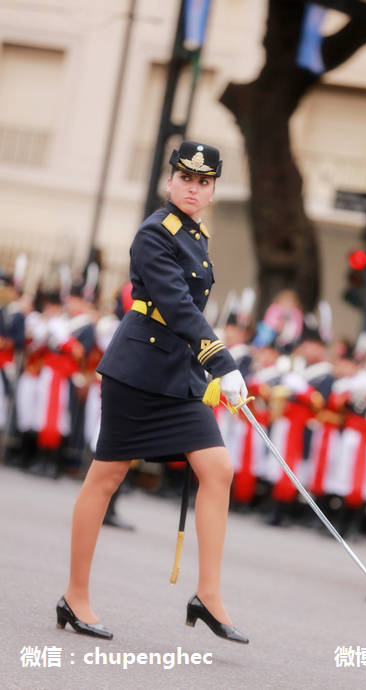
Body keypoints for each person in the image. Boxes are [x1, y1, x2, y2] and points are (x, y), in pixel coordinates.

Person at [57, 141, 249, 643]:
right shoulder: (154, 233)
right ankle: (75, 595)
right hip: (139, 370)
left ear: (212, 191)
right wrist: (222, 362)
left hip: (179, 375)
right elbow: (178, 306)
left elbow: (188, 315)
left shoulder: (196, 235)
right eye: (185, 178)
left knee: (218, 468)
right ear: (170, 181)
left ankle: (208, 595)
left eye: (204, 182)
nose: (193, 187)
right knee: (107, 476)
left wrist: (210, 371)